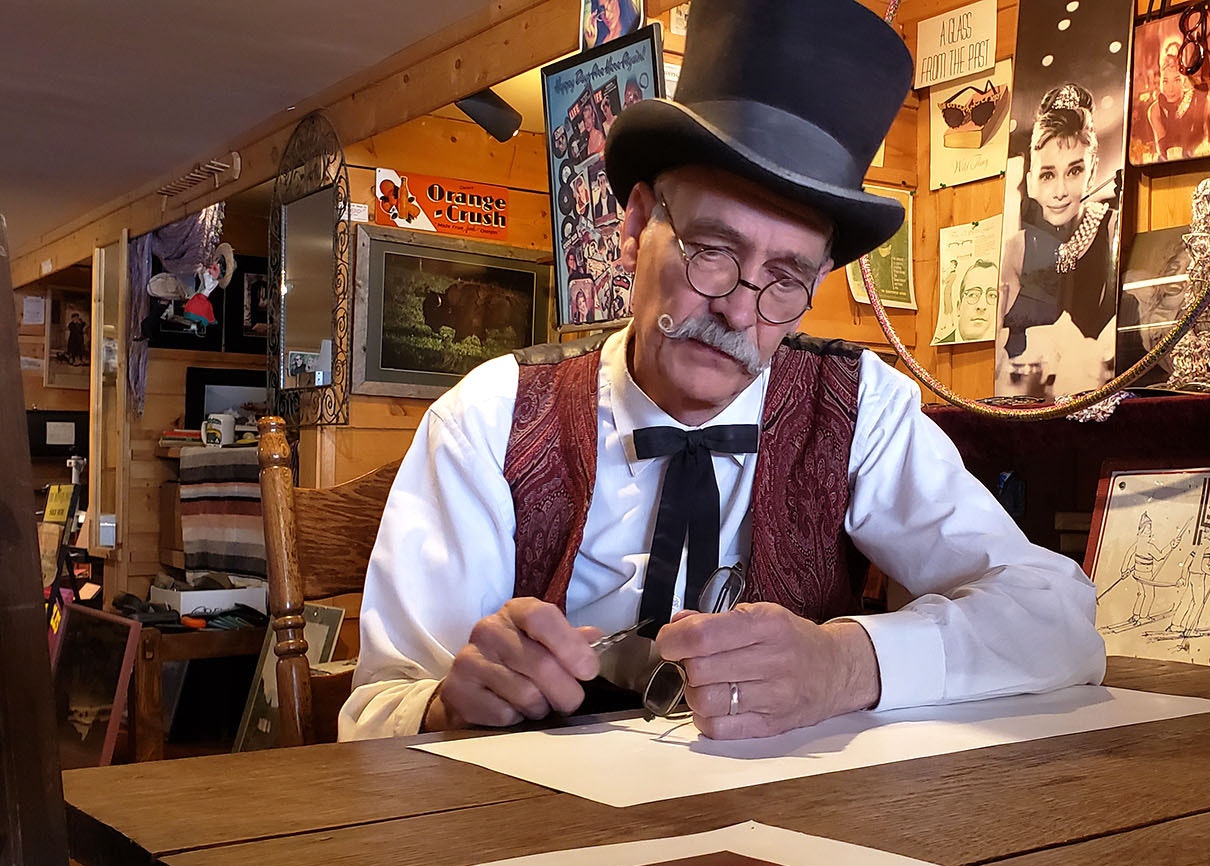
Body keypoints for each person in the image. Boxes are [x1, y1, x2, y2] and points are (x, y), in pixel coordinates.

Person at [343, 0, 1104, 742]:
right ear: (635, 225)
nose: (740, 311)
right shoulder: (491, 416)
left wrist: (846, 664)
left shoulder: (859, 406)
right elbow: (373, 713)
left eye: (785, 278)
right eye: (712, 251)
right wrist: (445, 706)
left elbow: (1059, 619)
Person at [997, 83, 1117, 397]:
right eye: (1048, 175)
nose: (1060, 191)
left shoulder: (1112, 230)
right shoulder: (1017, 249)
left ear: (1092, 171)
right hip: (1024, 405)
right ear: (1031, 181)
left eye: (1074, 171)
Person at [1147, 42, 1207, 162]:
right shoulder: (1155, 110)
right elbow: (1162, 146)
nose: (1170, 89)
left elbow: (1201, 135)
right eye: (1165, 81)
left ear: (1184, 81)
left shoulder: (1197, 101)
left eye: (1177, 80)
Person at [938, 259, 999, 344]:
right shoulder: (936, 350)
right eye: (973, 295)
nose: (981, 306)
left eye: (992, 295)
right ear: (959, 307)